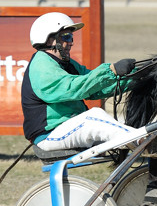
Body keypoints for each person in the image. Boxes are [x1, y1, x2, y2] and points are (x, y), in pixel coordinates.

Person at [21, 12, 138, 152]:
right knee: (94, 116)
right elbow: (74, 88)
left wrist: (136, 78)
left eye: (71, 37)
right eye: (66, 37)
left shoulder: (67, 63)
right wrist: (111, 70)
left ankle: (142, 139)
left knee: (103, 120)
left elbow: (95, 87)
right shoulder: (42, 65)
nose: (71, 42)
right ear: (48, 39)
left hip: (68, 128)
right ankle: (142, 141)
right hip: (49, 135)